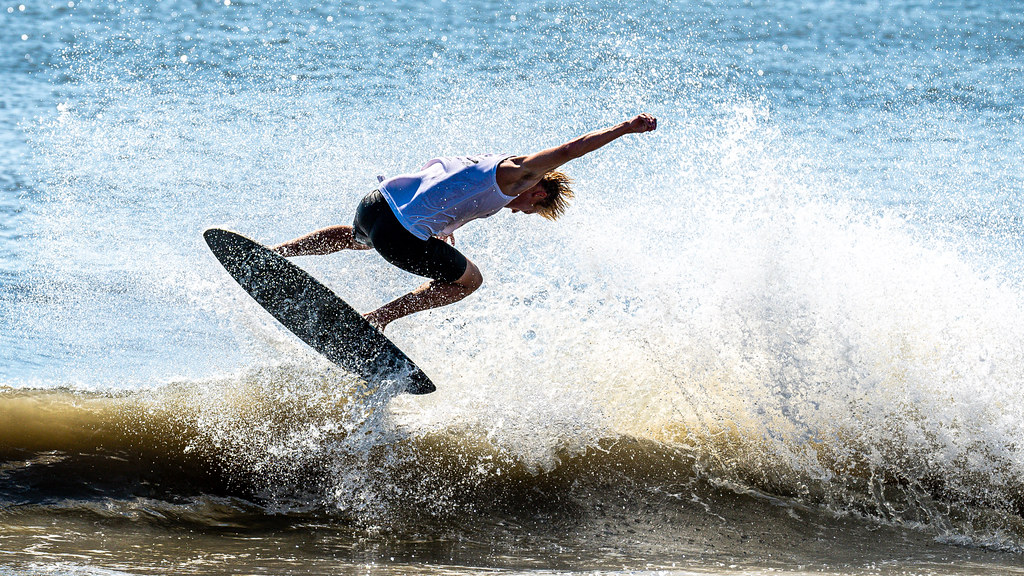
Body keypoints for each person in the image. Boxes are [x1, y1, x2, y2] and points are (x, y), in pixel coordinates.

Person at [272, 113, 658, 331]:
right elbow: (574, 149)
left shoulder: (486, 162)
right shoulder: (521, 174)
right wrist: (625, 128)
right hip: (402, 235)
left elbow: (450, 187)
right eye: (529, 209)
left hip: (375, 207)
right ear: (538, 192)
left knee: (354, 237)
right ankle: (377, 319)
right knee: (470, 281)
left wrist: (444, 228)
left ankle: (277, 254)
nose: (518, 210)